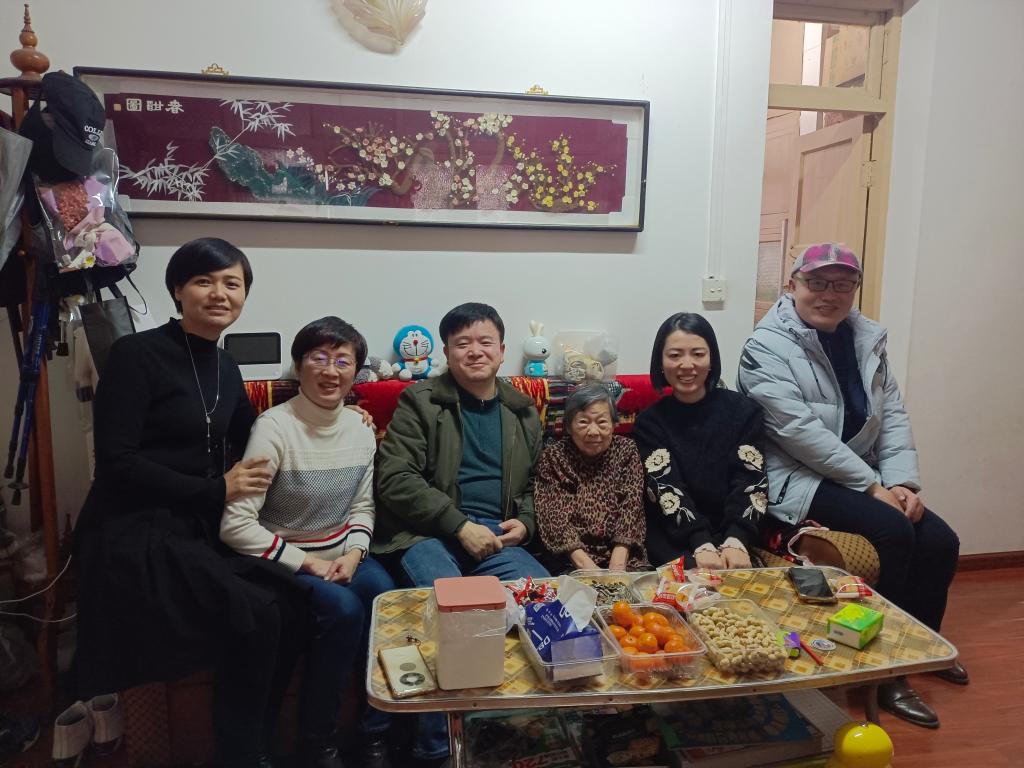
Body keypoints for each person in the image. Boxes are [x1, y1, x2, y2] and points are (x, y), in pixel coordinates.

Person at [73, 238, 303, 768]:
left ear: (244, 295)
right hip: (132, 527)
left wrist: (337, 415)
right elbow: (117, 463)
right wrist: (216, 490)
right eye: (204, 281)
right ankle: (240, 756)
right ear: (178, 290)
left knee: (293, 604)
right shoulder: (135, 355)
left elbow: (256, 435)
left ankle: (258, 742)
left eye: (232, 283)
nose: (219, 293)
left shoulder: (225, 366)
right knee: (256, 613)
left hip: (197, 522)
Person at [737, 242, 965, 729]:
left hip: (863, 475)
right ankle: (883, 673)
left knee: (942, 541)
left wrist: (901, 482)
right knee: (893, 531)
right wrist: (871, 487)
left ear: (855, 289)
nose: (829, 293)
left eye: (843, 284)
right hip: (796, 477)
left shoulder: (867, 338)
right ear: (792, 285)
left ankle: (922, 648)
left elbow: (893, 416)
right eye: (817, 282)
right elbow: (797, 431)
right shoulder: (765, 346)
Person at [373, 302, 549, 767]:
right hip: (426, 533)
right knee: (457, 613)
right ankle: (435, 749)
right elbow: (395, 479)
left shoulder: (522, 410)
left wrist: (526, 521)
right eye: (462, 343)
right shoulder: (421, 402)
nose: (475, 351)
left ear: (502, 350)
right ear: (447, 353)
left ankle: (517, 732)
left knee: (542, 602)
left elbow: (539, 482)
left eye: (485, 341)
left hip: (498, 537)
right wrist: (459, 524)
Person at [220, 317, 394, 768]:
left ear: (356, 372)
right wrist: (309, 563)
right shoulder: (274, 428)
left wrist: (355, 553)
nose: (331, 371)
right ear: (298, 366)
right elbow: (235, 525)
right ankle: (319, 742)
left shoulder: (360, 428)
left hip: (342, 550)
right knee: (344, 609)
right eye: (319, 358)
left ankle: (375, 734)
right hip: (285, 559)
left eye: (343, 361)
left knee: (386, 598)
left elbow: (362, 506)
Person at [632, 313, 769, 570]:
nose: (687, 365)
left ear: (712, 359)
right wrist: (701, 543)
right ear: (660, 362)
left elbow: (751, 479)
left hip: (735, 531)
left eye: (698, 354)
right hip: (676, 535)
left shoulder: (744, 412)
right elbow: (666, 487)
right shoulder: (649, 423)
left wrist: (736, 539)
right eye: (675, 355)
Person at [534, 382, 648, 572]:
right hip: (570, 559)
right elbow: (554, 518)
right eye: (583, 422)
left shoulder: (626, 451)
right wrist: (591, 572)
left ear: (614, 424)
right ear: (569, 426)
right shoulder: (554, 457)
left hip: (624, 556)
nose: (593, 432)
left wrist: (617, 569)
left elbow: (631, 508)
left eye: (602, 422)